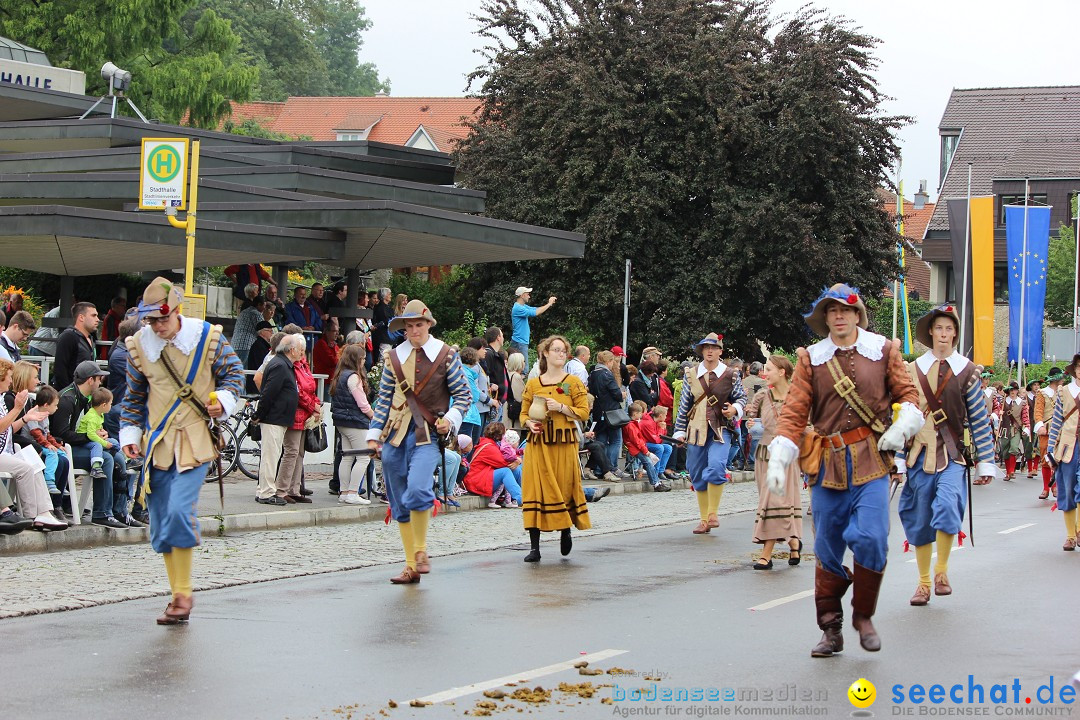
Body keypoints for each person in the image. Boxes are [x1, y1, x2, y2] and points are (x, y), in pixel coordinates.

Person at [767, 283, 921, 657]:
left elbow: (908, 396)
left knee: (871, 537)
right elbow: (795, 410)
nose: (838, 317)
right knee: (826, 546)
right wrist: (780, 455)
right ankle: (830, 629)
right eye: (831, 311)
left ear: (857, 315)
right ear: (825, 319)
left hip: (871, 459)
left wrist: (903, 425)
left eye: (845, 311)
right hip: (827, 463)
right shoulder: (811, 358)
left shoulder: (884, 350)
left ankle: (863, 616)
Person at [119, 278, 244, 624]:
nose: (158, 327)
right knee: (159, 522)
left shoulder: (207, 338)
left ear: (176, 312)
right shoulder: (139, 347)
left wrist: (226, 401)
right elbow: (132, 398)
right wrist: (129, 433)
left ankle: (184, 594)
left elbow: (235, 376)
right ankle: (176, 595)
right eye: (152, 322)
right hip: (157, 443)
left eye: (163, 319)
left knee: (178, 510)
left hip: (196, 440)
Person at [894, 304, 995, 606]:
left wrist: (986, 461)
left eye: (949, 329)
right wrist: (898, 458)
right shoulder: (913, 370)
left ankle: (941, 572)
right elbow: (902, 416)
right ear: (931, 332)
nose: (944, 334)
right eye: (939, 328)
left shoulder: (967, 371)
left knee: (948, 504)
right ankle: (923, 583)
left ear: (955, 334)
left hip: (952, 455)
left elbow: (978, 418)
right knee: (921, 518)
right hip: (919, 455)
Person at [367, 300, 471, 584]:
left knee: (417, 489)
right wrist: (374, 435)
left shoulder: (447, 355)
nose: (414, 330)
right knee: (399, 500)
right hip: (394, 436)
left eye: (419, 325)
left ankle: (421, 551)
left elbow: (464, 396)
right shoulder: (393, 358)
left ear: (428, 325)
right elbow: (383, 400)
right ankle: (410, 565)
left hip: (426, 435)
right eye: (409, 326)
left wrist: (450, 419)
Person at [519, 334, 591, 562]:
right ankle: (534, 547)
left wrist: (561, 406)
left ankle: (566, 529)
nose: (561, 354)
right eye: (557, 350)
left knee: (563, 486)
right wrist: (529, 423)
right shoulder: (532, 383)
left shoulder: (572, 382)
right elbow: (522, 414)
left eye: (564, 351)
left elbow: (583, 412)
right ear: (546, 353)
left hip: (563, 443)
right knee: (535, 489)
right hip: (538, 444)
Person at [672, 333, 747, 535]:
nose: (710, 351)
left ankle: (713, 514)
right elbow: (684, 405)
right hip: (695, 429)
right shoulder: (691, 374)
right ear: (702, 351)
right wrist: (679, 431)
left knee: (716, 465)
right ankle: (703, 519)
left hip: (720, 429)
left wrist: (735, 409)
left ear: (720, 351)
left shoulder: (731, 374)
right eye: (706, 348)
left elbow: (741, 398)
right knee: (696, 473)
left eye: (713, 348)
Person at [52, 361, 130, 528]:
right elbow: (62, 434)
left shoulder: (87, 399)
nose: (100, 382)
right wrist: (92, 438)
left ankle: (119, 510)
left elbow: (90, 427)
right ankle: (101, 513)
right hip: (64, 450)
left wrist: (100, 434)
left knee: (117, 456)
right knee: (107, 459)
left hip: (80, 445)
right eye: (98, 379)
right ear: (90, 380)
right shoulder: (67, 399)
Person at [745, 355, 803, 570]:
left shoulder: (799, 396)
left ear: (782, 372)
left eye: (768, 369)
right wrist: (745, 418)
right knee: (772, 501)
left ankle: (766, 554)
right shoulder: (762, 396)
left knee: (775, 502)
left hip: (786, 457)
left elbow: (809, 424)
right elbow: (748, 417)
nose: (764, 373)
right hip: (764, 456)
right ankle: (794, 541)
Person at [0, 359, 67, 531]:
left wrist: (25, 418)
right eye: (8, 377)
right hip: (3, 452)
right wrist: (17, 410)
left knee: (35, 464)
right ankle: (31, 516)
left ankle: (45, 512)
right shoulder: (8, 399)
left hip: (6, 450)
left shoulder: (2, 399)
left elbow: (7, 429)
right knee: (26, 468)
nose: (10, 380)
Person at [255, 333, 302, 506]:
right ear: (291, 350)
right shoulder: (280, 365)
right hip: (274, 417)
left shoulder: (283, 364)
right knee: (270, 456)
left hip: (278, 417)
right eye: (298, 349)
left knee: (271, 456)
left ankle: (264, 489)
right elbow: (269, 392)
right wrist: (260, 413)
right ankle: (266, 492)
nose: (300, 353)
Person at [330, 344, 374, 505]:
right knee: (363, 457)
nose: (363, 362)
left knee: (347, 457)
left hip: (341, 421)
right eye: (362, 359)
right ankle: (353, 492)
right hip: (355, 421)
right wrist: (373, 415)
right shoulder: (354, 377)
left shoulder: (340, 374)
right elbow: (362, 403)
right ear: (356, 359)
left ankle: (344, 491)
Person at [1046, 354, 1080, 551]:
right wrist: (1050, 450)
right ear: (1074, 369)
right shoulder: (1064, 392)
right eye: (1079, 366)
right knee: (1067, 491)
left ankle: (1079, 529)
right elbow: (1057, 421)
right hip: (1067, 447)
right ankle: (1070, 536)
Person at [464, 422, 523, 508]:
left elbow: (509, 458)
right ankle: (521, 498)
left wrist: (517, 461)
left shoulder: (491, 444)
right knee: (505, 471)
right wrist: (517, 461)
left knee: (516, 469)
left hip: (482, 477)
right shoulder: (489, 447)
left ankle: (521, 497)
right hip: (477, 482)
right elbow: (503, 463)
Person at [589, 350, 626, 474]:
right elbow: (616, 393)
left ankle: (600, 469)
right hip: (611, 412)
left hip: (598, 411)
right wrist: (622, 395)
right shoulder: (607, 374)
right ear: (609, 361)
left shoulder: (593, 373)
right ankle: (611, 467)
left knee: (602, 440)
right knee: (616, 440)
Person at [622, 400, 671, 492]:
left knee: (648, 461)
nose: (642, 415)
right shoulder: (631, 426)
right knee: (648, 462)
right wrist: (646, 451)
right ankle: (656, 483)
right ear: (635, 414)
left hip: (638, 447)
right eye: (640, 413)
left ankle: (656, 481)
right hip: (635, 448)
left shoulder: (633, 424)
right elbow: (637, 441)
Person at [1034, 368, 1066, 497]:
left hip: (1062, 430)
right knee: (1046, 458)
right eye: (1062, 378)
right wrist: (1040, 425)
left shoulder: (1065, 392)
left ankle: (1056, 486)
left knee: (1060, 459)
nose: (1064, 380)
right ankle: (1046, 488)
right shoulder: (1042, 393)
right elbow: (1038, 411)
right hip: (1047, 430)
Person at [53, 302, 99, 389]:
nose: (97, 319)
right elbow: (60, 370)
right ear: (81, 317)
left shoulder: (91, 338)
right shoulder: (68, 336)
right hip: (71, 395)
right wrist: (69, 394)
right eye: (93, 315)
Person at [510, 287, 556, 373]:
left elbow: (534, 309)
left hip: (521, 341)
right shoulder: (518, 308)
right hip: (520, 342)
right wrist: (549, 304)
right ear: (522, 295)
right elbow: (535, 312)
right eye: (527, 294)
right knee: (524, 370)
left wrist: (548, 304)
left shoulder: (522, 306)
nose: (529, 296)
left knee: (521, 369)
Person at [998, 383, 1029, 481]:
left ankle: (1012, 471)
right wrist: (1000, 414)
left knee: (1014, 448)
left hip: (1016, 429)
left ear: (1017, 391)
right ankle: (1007, 472)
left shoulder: (1022, 403)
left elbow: (1024, 417)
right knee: (1005, 450)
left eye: (1015, 390)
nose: (1013, 392)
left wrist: (1026, 427)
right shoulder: (1003, 402)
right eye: (1011, 390)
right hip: (1004, 429)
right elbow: (998, 414)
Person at [231, 286, 264, 365]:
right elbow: (263, 330)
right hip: (246, 345)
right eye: (264, 306)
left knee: (235, 369)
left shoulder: (244, 310)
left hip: (235, 343)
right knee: (243, 371)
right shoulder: (256, 313)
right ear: (259, 305)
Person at [459, 346, 486, 445]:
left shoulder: (458, 370)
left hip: (459, 412)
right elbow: (474, 396)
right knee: (465, 445)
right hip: (467, 414)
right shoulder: (468, 374)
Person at [480, 326, 508, 421]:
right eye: (502, 335)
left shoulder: (496, 355)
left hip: (498, 402)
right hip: (492, 403)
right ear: (498, 338)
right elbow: (485, 376)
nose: (503, 338)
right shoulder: (489, 354)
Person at [641, 404, 675, 480]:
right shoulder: (648, 423)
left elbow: (661, 437)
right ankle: (655, 472)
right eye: (665, 415)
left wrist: (662, 429)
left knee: (668, 447)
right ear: (660, 416)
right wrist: (661, 428)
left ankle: (660, 471)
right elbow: (656, 440)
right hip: (643, 444)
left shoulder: (656, 421)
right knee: (659, 448)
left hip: (650, 442)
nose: (666, 418)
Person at [246, 321, 274, 395]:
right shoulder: (259, 346)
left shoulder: (263, 345)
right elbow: (262, 364)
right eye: (269, 330)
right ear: (262, 332)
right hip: (256, 385)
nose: (272, 332)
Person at [371, 288, 395, 358]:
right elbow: (385, 321)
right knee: (384, 359)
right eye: (389, 294)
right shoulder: (381, 308)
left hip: (389, 337)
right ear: (384, 296)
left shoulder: (388, 307)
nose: (391, 296)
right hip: (383, 337)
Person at [1025, 378, 1041, 477]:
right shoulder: (1026, 398)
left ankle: (1035, 468)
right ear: (1031, 387)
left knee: (1038, 445)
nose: (1036, 387)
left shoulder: (1041, 396)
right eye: (1034, 385)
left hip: (1039, 423)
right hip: (1030, 423)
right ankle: (1030, 469)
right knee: (1029, 445)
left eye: (1038, 385)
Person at [506, 352, 526, 431]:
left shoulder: (508, 374)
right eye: (523, 361)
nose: (524, 363)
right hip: (513, 418)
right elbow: (520, 397)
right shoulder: (516, 377)